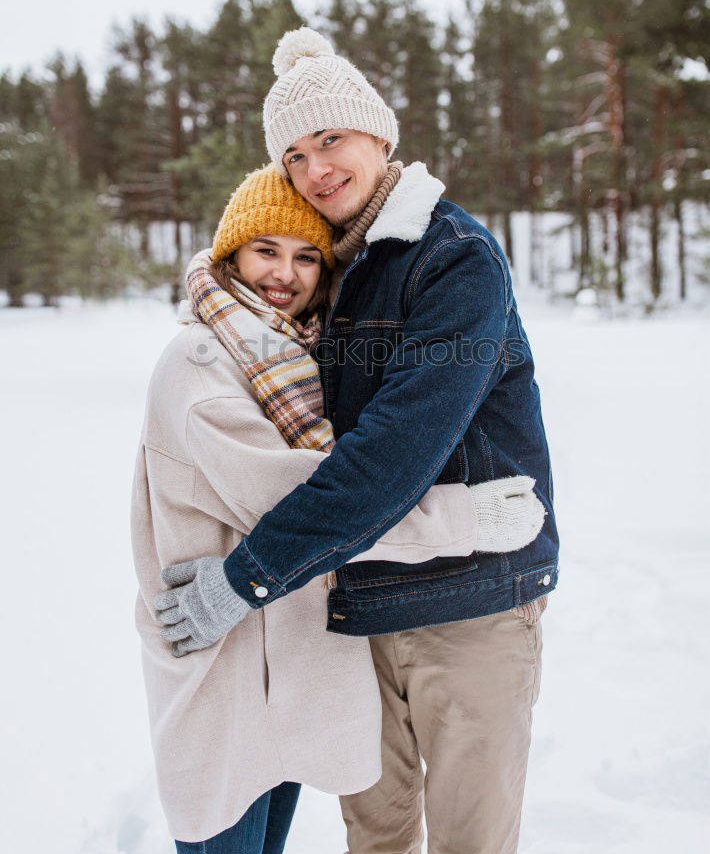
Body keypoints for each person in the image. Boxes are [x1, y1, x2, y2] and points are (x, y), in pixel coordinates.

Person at [132, 164, 546, 852]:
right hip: (224, 678)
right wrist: (468, 519)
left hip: (271, 674)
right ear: (230, 253)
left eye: (305, 258)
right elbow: (310, 502)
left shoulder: (285, 355)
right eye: (266, 250)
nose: (284, 275)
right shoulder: (205, 364)